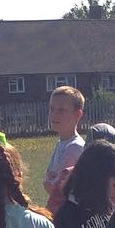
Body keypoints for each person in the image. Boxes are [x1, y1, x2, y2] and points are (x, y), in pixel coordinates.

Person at [43, 86, 86, 215]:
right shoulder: (61, 143)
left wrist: (49, 182)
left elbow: (54, 186)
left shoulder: (75, 147)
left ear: (77, 115)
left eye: (61, 110)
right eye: (52, 109)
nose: (54, 114)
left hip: (69, 214)